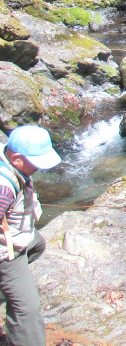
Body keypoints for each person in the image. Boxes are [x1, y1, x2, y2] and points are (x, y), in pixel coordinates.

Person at [0, 125, 61, 346]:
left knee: (37, 246)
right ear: (16, 158)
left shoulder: (6, 156)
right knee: (28, 310)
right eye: (36, 162)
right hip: (7, 251)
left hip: (24, 235)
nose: (39, 168)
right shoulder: (4, 187)